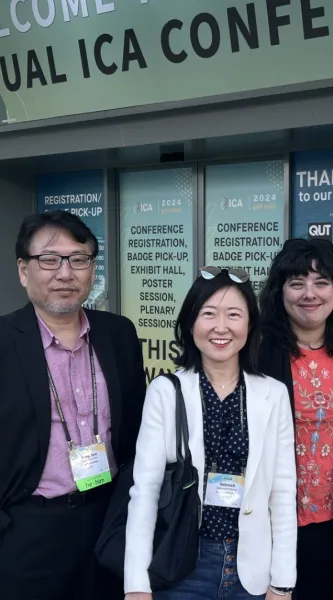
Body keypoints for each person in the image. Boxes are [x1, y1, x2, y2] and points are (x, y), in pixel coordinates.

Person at [124, 267, 297, 600]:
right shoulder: (165, 391)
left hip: (253, 569)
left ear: (249, 325)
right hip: (184, 562)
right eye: (208, 314)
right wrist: (136, 583)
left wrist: (283, 580)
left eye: (234, 315)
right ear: (191, 324)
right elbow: (144, 490)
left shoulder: (272, 394)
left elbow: (283, 490)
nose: (221, 327)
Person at [0, 210, 147, 600]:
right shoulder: (2, 341)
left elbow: (135, 431)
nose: (65, 273)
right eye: (49, 259)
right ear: (23, 269)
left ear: (91, 269)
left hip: (108, 519)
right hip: (29, 530)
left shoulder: (118, 333)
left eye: (78, 260)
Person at [258, 238, 333, 600]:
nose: (310, 293)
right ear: (280, 291)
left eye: (321, 282)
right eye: (296, 282)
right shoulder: (257, 352)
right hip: (270, 524)